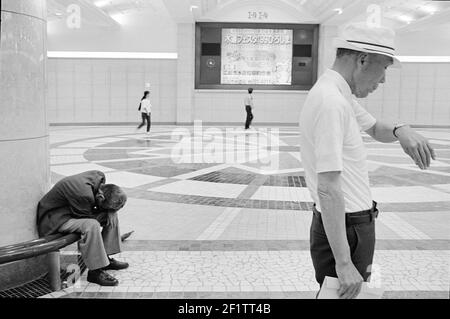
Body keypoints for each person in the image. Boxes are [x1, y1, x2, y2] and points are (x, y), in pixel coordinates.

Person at [298, 23, 436, 299]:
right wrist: (344, 262)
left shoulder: (338, 94)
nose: (383, 80)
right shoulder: (331, 102)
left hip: (350, 226)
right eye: (384, 67)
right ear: (362, 59)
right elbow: (328, 187)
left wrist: (401, 129)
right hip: (346, 230)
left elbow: (375, 128)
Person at [36, 170, 129, 286]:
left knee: (111, 215)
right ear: (100, 196)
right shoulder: (83, 194)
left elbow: (95, 210)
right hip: (56, 219)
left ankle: (105, 258)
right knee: (91, 225)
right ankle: (95, 271)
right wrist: (107, 211)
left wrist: (111, 211)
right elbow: (88, 217)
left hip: (71, 212)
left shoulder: (99, 177)